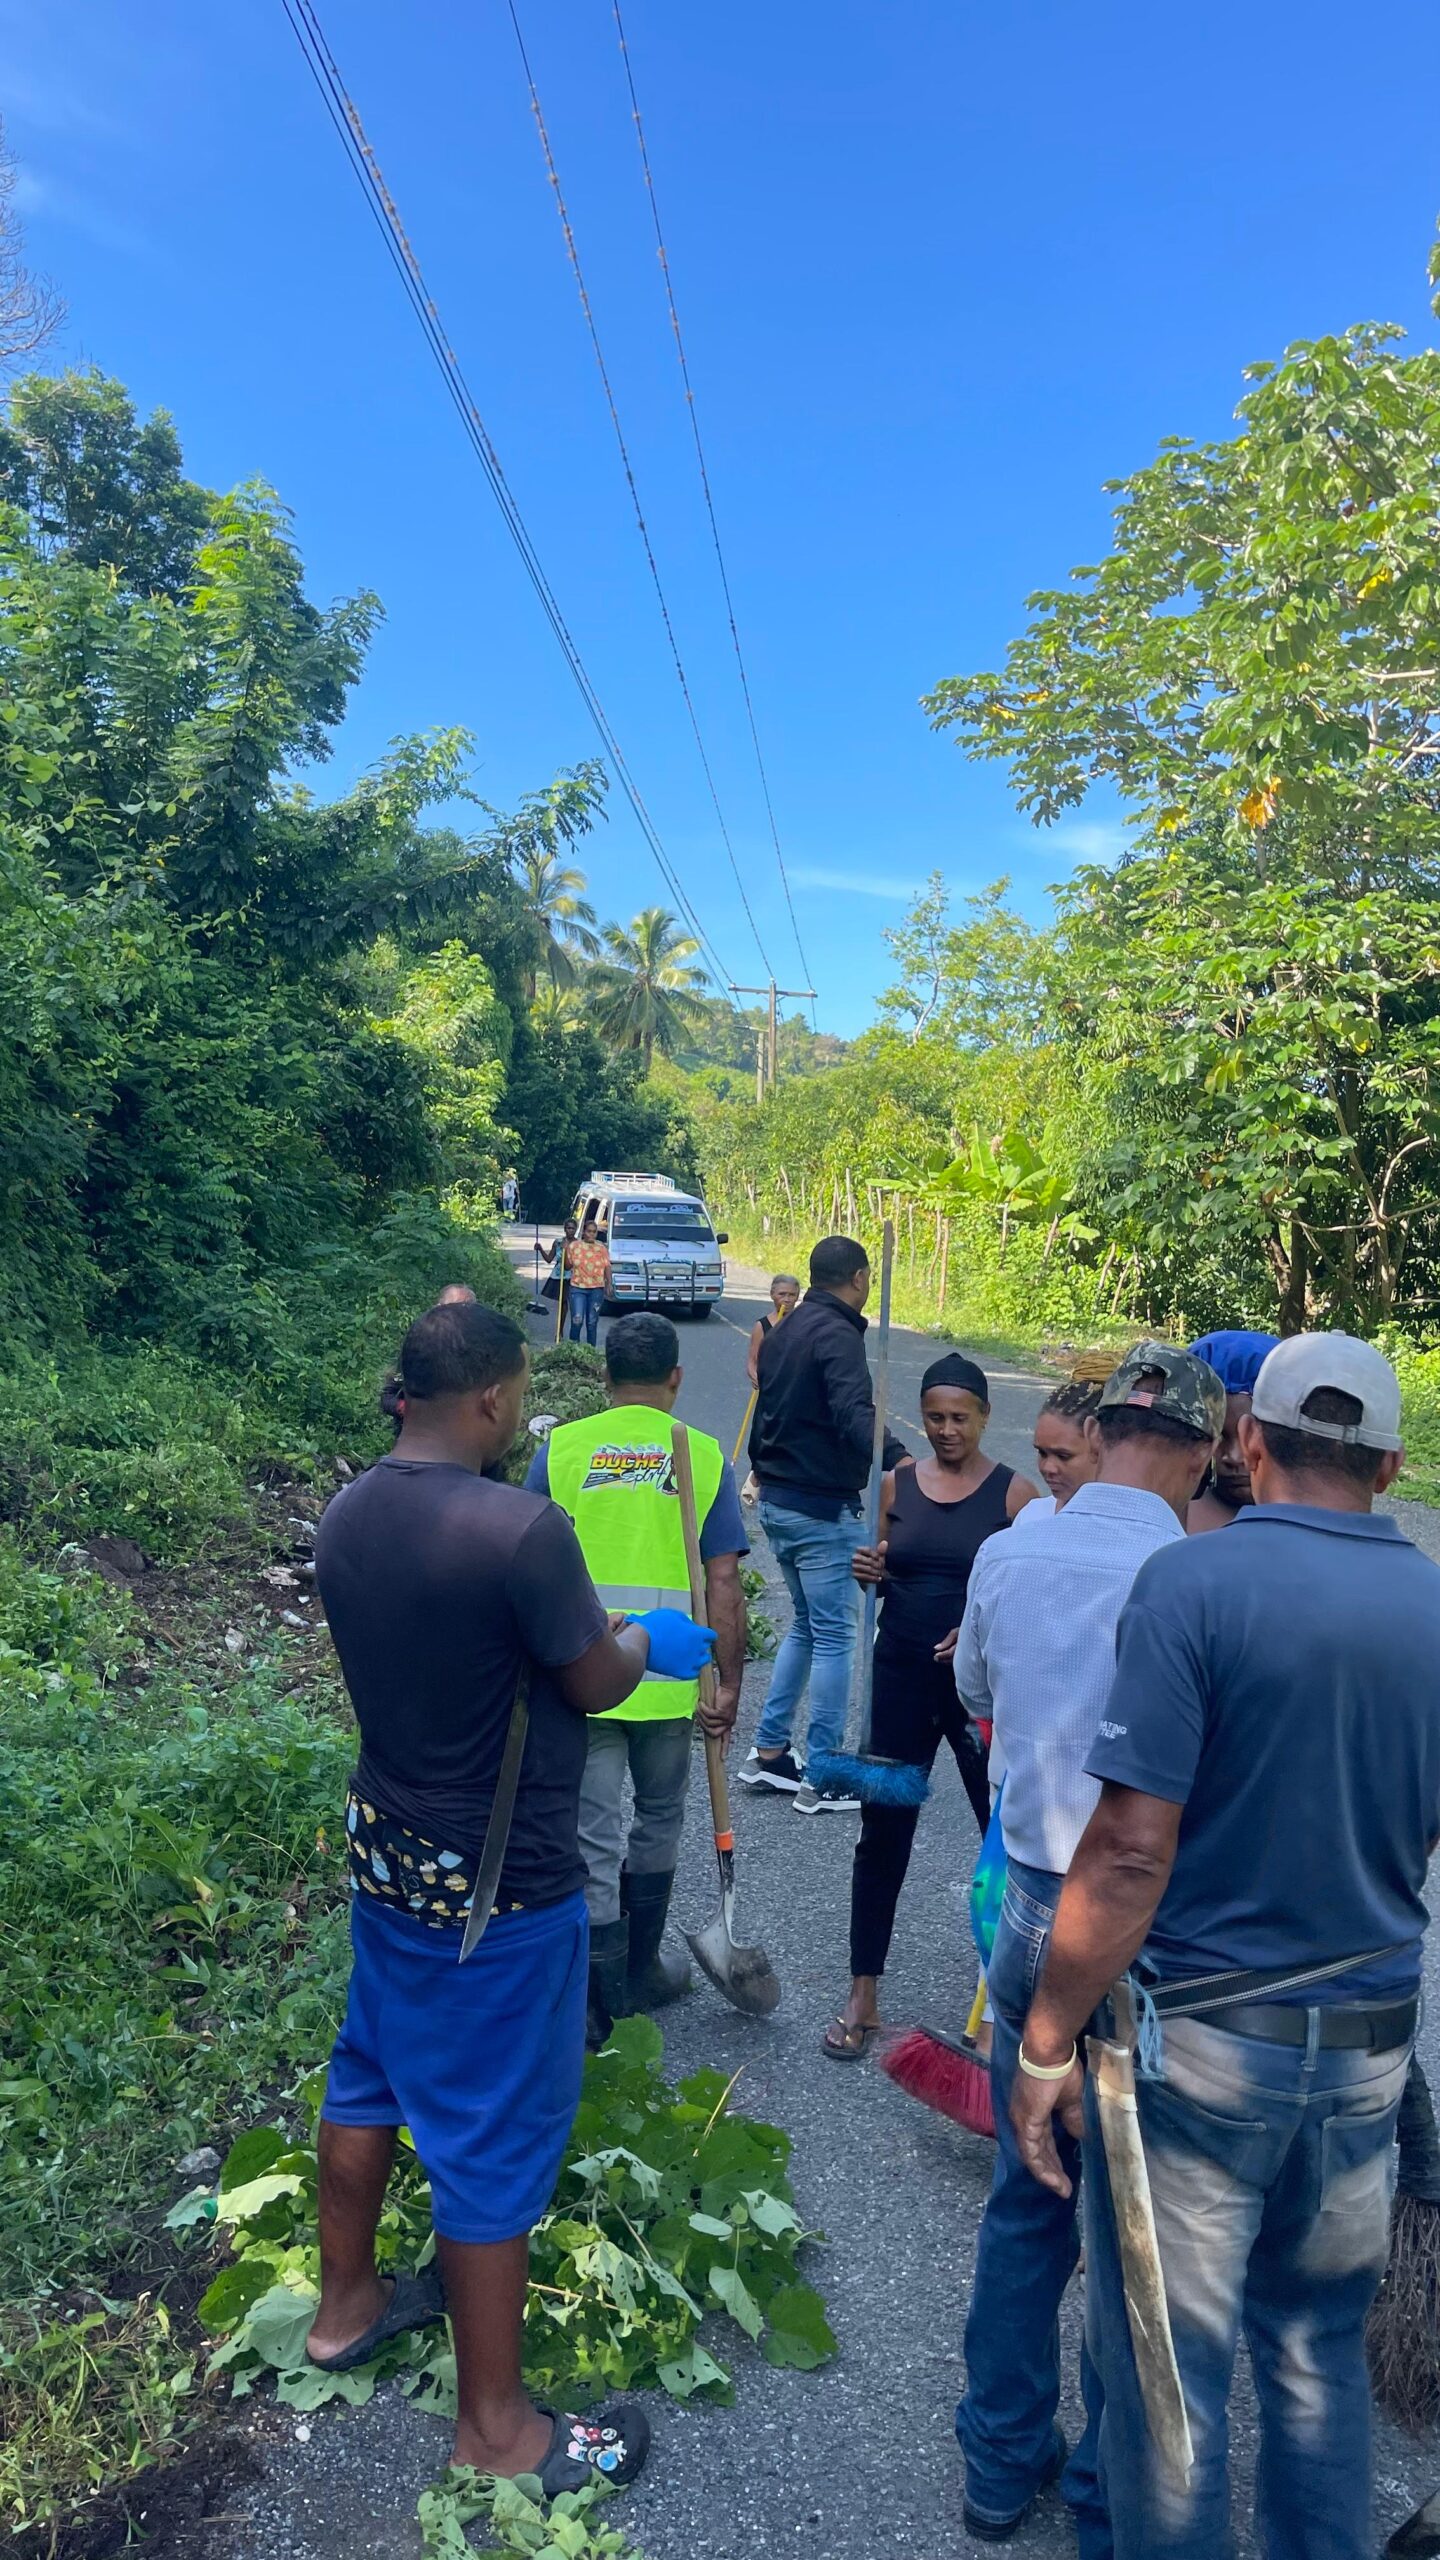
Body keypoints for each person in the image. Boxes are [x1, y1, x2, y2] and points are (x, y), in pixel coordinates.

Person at [1011, 1334, 1440, 2560]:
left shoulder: (1191, 1587)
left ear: (1247, 1445)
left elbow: (1130, 1854)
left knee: (1169, 2379)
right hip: (1365, 2055)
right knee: (1315, 2359)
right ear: (1395, 1463)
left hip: (1203, 2051)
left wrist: (1045, 2045)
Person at [310, 1297, 715, 2491]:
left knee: (369, 2072)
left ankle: (342, 2305)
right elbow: (591, 1679)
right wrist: (649, 1638)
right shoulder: (519, 1529)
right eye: (523, 1392)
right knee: (489, 2140)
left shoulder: (345, 1515)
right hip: (501, 1891)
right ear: (490, 1399)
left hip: (389, 1859)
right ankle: (498, 2433)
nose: (526, 1410)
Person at [951, 1343, 1223, 2550]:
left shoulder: (1013, 1550)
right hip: (1130, 1931)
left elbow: (971, 1686)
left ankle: (1000, 2464)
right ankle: (1112, 2486)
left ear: (1103, 1428)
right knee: (1133, 2222)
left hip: (1023, 1909)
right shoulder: (1197, 1573)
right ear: (1208, 1451)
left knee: (1027, 2196)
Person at [525, 1311, 748, 2041]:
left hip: (581, 1676)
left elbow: (519, 1566)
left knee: (591, 1835)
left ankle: (594, 2001)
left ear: (604, 1377)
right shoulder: (704, 1455)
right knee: (658, 1820)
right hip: (666, 1681)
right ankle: (641, 1970)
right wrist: (728, 1679)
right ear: (677, 1379)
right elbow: (723, 1585)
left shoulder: (560, 1450)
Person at [823, 1353, 1039, 2061]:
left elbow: (1034, 1599)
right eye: (936, 1418)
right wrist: (871, 1574)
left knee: (1002, 1841)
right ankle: (863, 1991)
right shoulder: (894, 1484)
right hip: (901, 1680)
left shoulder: (1017, 1499)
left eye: (961, 1418)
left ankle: (1003, 2006)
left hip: (980, 1695)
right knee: (882, 1835)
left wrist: (983, 1630)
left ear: (984, 1416)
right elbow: (885, 1580)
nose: (947, 1431)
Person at [737, 1234, 909, 1814]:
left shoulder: (786, 1327)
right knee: (836, 1633)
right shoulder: (835, 1333)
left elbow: (767, 1408)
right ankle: (826, 1774)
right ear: (860, 1278)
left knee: (807, 1626)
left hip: (781, 1501)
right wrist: (898, 1458)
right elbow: (854, 1410)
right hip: (819, 1507)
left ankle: (769, 1754)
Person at [1184, 1326, 1279, 1532]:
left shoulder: (1322, 1517)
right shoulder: (1173, 1517)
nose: (1235, 1457)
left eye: (1252, 1437)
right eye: (1217, 1435)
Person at [1009, 1377, 1105, 1532]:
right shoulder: (1031, 1516)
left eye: (1063, 1456)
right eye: (1042, 1453)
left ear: (1101, 1447)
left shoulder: (1130, 1528)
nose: (1048, 1468)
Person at [746, 1274, 800, 1387]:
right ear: (772, 1295)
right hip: (770, 1386)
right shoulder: (762, 1325)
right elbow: (753, 1361)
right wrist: (755, 1376)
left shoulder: (805, 1323)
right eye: (782, 1294)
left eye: (792, 1295)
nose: (787, 1299)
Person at [566, 1215, 611, 1348]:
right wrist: (565, 1250)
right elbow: (567, 1267)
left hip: (596, 1289)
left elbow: (607, 1265)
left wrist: (609, 1283)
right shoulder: (574, 1246)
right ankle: (572, 1350)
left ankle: (590, 1353)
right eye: (589, 1231)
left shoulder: (601, 1248)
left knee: (592, 1323)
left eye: (594, 1231)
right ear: (583, 1232)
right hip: (577, 1288)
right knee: (577, 1320)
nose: (591, 1234)